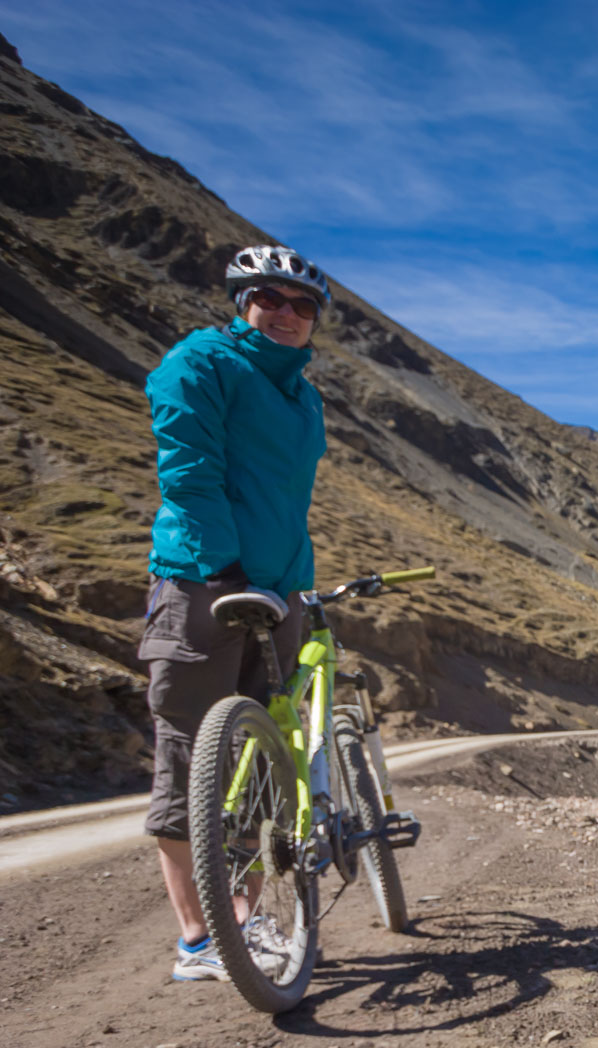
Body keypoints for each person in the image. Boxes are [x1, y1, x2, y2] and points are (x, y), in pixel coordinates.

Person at [140, 245, 329, 981]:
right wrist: (224, 571)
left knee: (259, 767)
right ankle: (200, 939)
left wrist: (299, 589)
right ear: (241, 301)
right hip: (202, 583)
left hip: (280, 592)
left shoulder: (301, 395)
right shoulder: (200, 362)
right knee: (192, 756)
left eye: (301, 305)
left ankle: (248, 927)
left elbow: (288, 506)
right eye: (268, 298)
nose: (284, 313)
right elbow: (188, 472)